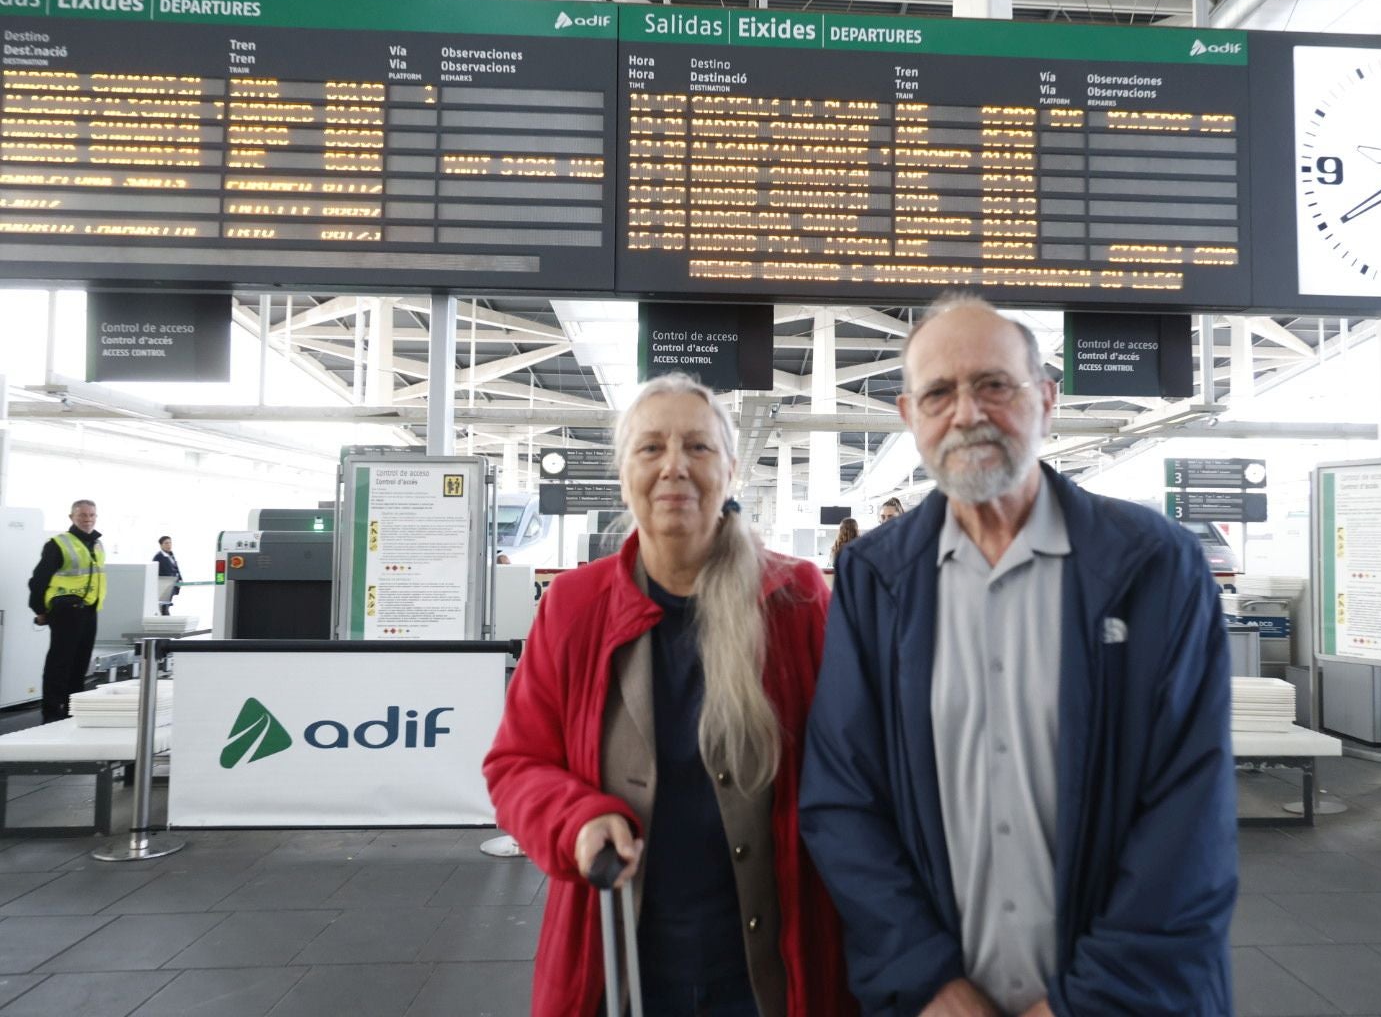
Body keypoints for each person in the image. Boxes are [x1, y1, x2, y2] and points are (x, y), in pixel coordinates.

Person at [800, 293, 1237, 1016]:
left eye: (993, 385)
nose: (967, 413)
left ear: (1045, 400)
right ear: (911, 419)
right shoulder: (876, 581)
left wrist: (1085, 1002)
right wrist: (927, 980)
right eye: (939, 392)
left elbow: (1189, 816)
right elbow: (844, 798)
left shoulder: (1153, 565)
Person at [484, 373, 852, 1017]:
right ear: (624, 470)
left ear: (731, 470)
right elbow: (516, 765)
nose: (673, 466)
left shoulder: (795, 598)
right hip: (617, 962)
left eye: (698, 447)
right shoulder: (575, 607)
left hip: (775, 966)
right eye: (650, 448)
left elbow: (854, 766)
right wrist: (576, 819)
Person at [27, 500, 106, 724]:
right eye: (82, 515)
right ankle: (52, 712)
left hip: (89, 609)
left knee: (81, 663)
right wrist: (40, 610)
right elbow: (38, 580)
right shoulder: (58, 544)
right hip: (66, 609)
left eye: (92, 515)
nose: (88, 519)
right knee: (60, 662)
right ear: (71, 517)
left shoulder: (97, 544)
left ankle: (73, 710)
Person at [153, 536, 182, 615]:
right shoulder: (159, 557)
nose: (169, 545)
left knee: (167, 604)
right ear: (161, 545)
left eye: (170, 543)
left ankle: (166, 617)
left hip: (172, 584)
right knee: (163, 606)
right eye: (166, 543)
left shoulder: (170, 555)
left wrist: (180, 579)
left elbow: (176, 568)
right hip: (164, 586)